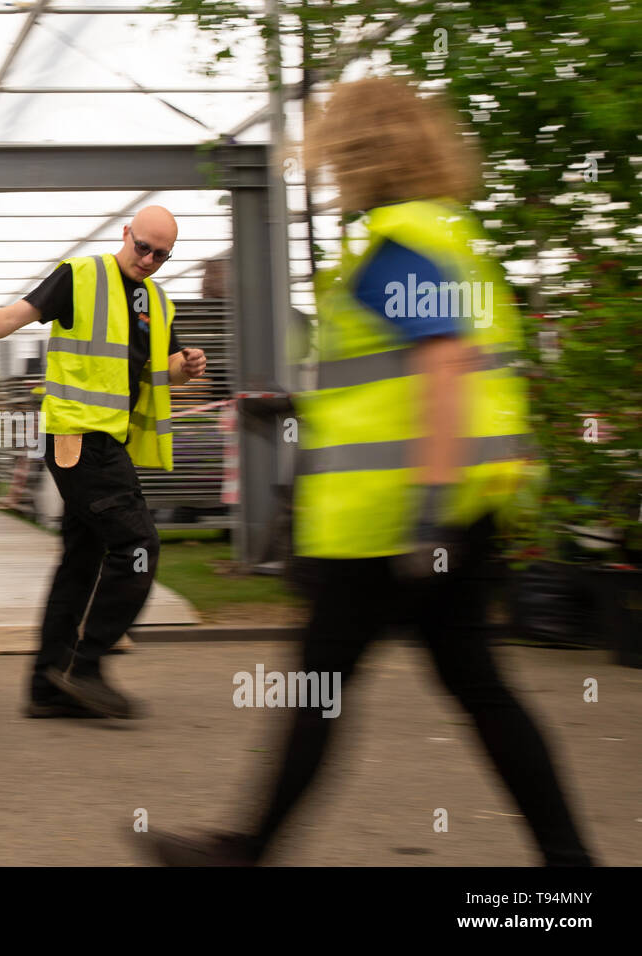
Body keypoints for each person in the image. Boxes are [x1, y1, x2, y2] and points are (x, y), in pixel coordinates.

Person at [147, 77, 594, 866]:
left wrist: (426, 518)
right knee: (470, 688)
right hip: (449, 511)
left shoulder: (397, 244)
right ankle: (568, 865)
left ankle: (244, 851)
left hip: (400, 523)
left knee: (324, 689)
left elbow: (446, 366)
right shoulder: (444, 234)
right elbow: (400, 383)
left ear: (357, 151)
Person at [0, 206, 206, 718]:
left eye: (162, 254)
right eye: (143, 247)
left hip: (110, 444)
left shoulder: (158, 302)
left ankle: (48, 688)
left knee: (82, 561)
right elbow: (12, 317)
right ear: (126, 234)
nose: (150, 259)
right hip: (76, 439)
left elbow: (163, 373)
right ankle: (84, 667)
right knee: (138, 545)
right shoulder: (81, 277)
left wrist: (186, 366)